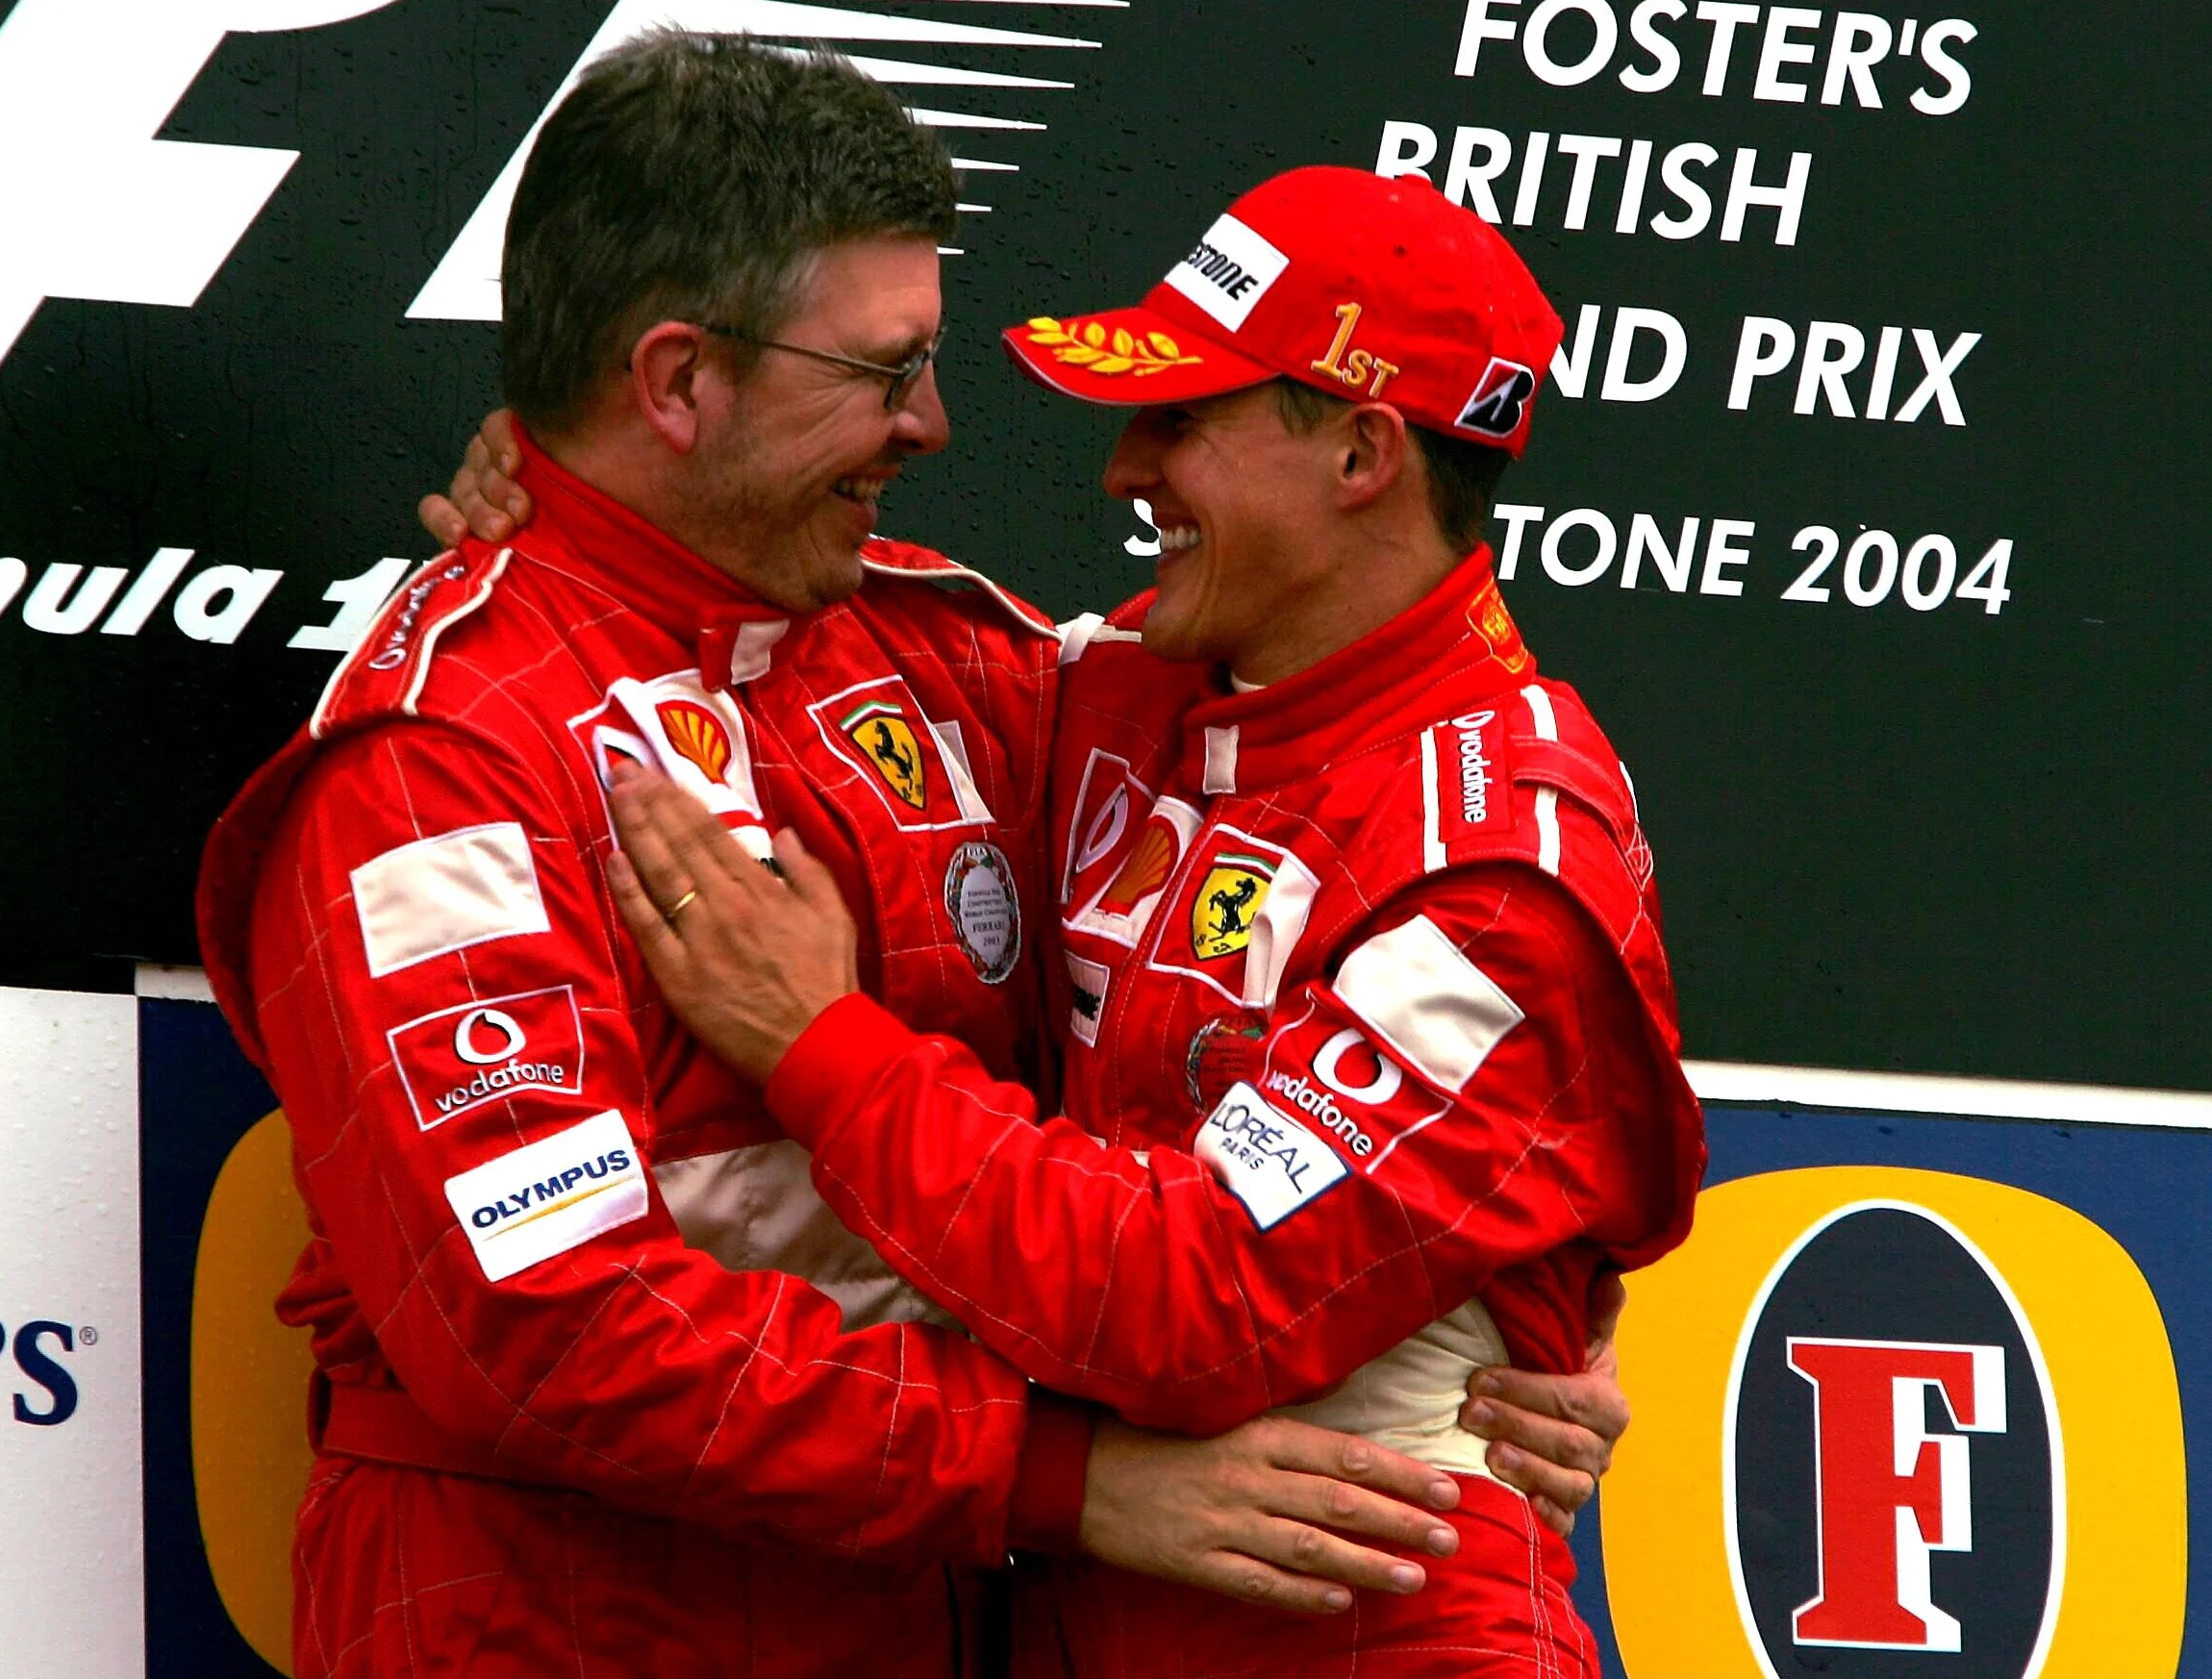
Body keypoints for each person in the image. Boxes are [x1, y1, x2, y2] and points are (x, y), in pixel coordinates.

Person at [198, 38, 1616, 1679]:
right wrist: (1059, 1480)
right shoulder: (444, 749)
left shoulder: (947, 659)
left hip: (917, 1608)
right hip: (559, 1614)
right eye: (885, 370)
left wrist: (1497, 1316)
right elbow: (535, 1326)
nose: (934, 425)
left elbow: (1338, 819)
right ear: (675, 380)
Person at [573, 166, 1706, 1677]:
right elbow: (778, 599)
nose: (1123, 470)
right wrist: (562, 497)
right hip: (1071, 1614)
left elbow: (1201, 1292)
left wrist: (818, 1045)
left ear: (1362, 451)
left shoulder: (1503, 861)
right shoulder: (1119, 691)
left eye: (1182, 419)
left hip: (1371, 1630)